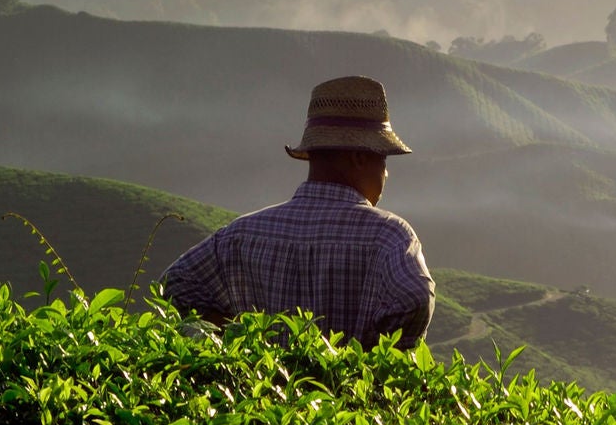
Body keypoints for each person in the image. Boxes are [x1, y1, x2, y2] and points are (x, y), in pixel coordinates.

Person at [160, 75, 436, 349]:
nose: (386, 174)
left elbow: (174, 286)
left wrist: (239, 341)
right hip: (351, 391)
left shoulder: (241, 235)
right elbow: (414, 298)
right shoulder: (389, 237)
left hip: (260, 390)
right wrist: (372, 357)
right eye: (383, 161)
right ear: (359, 158)